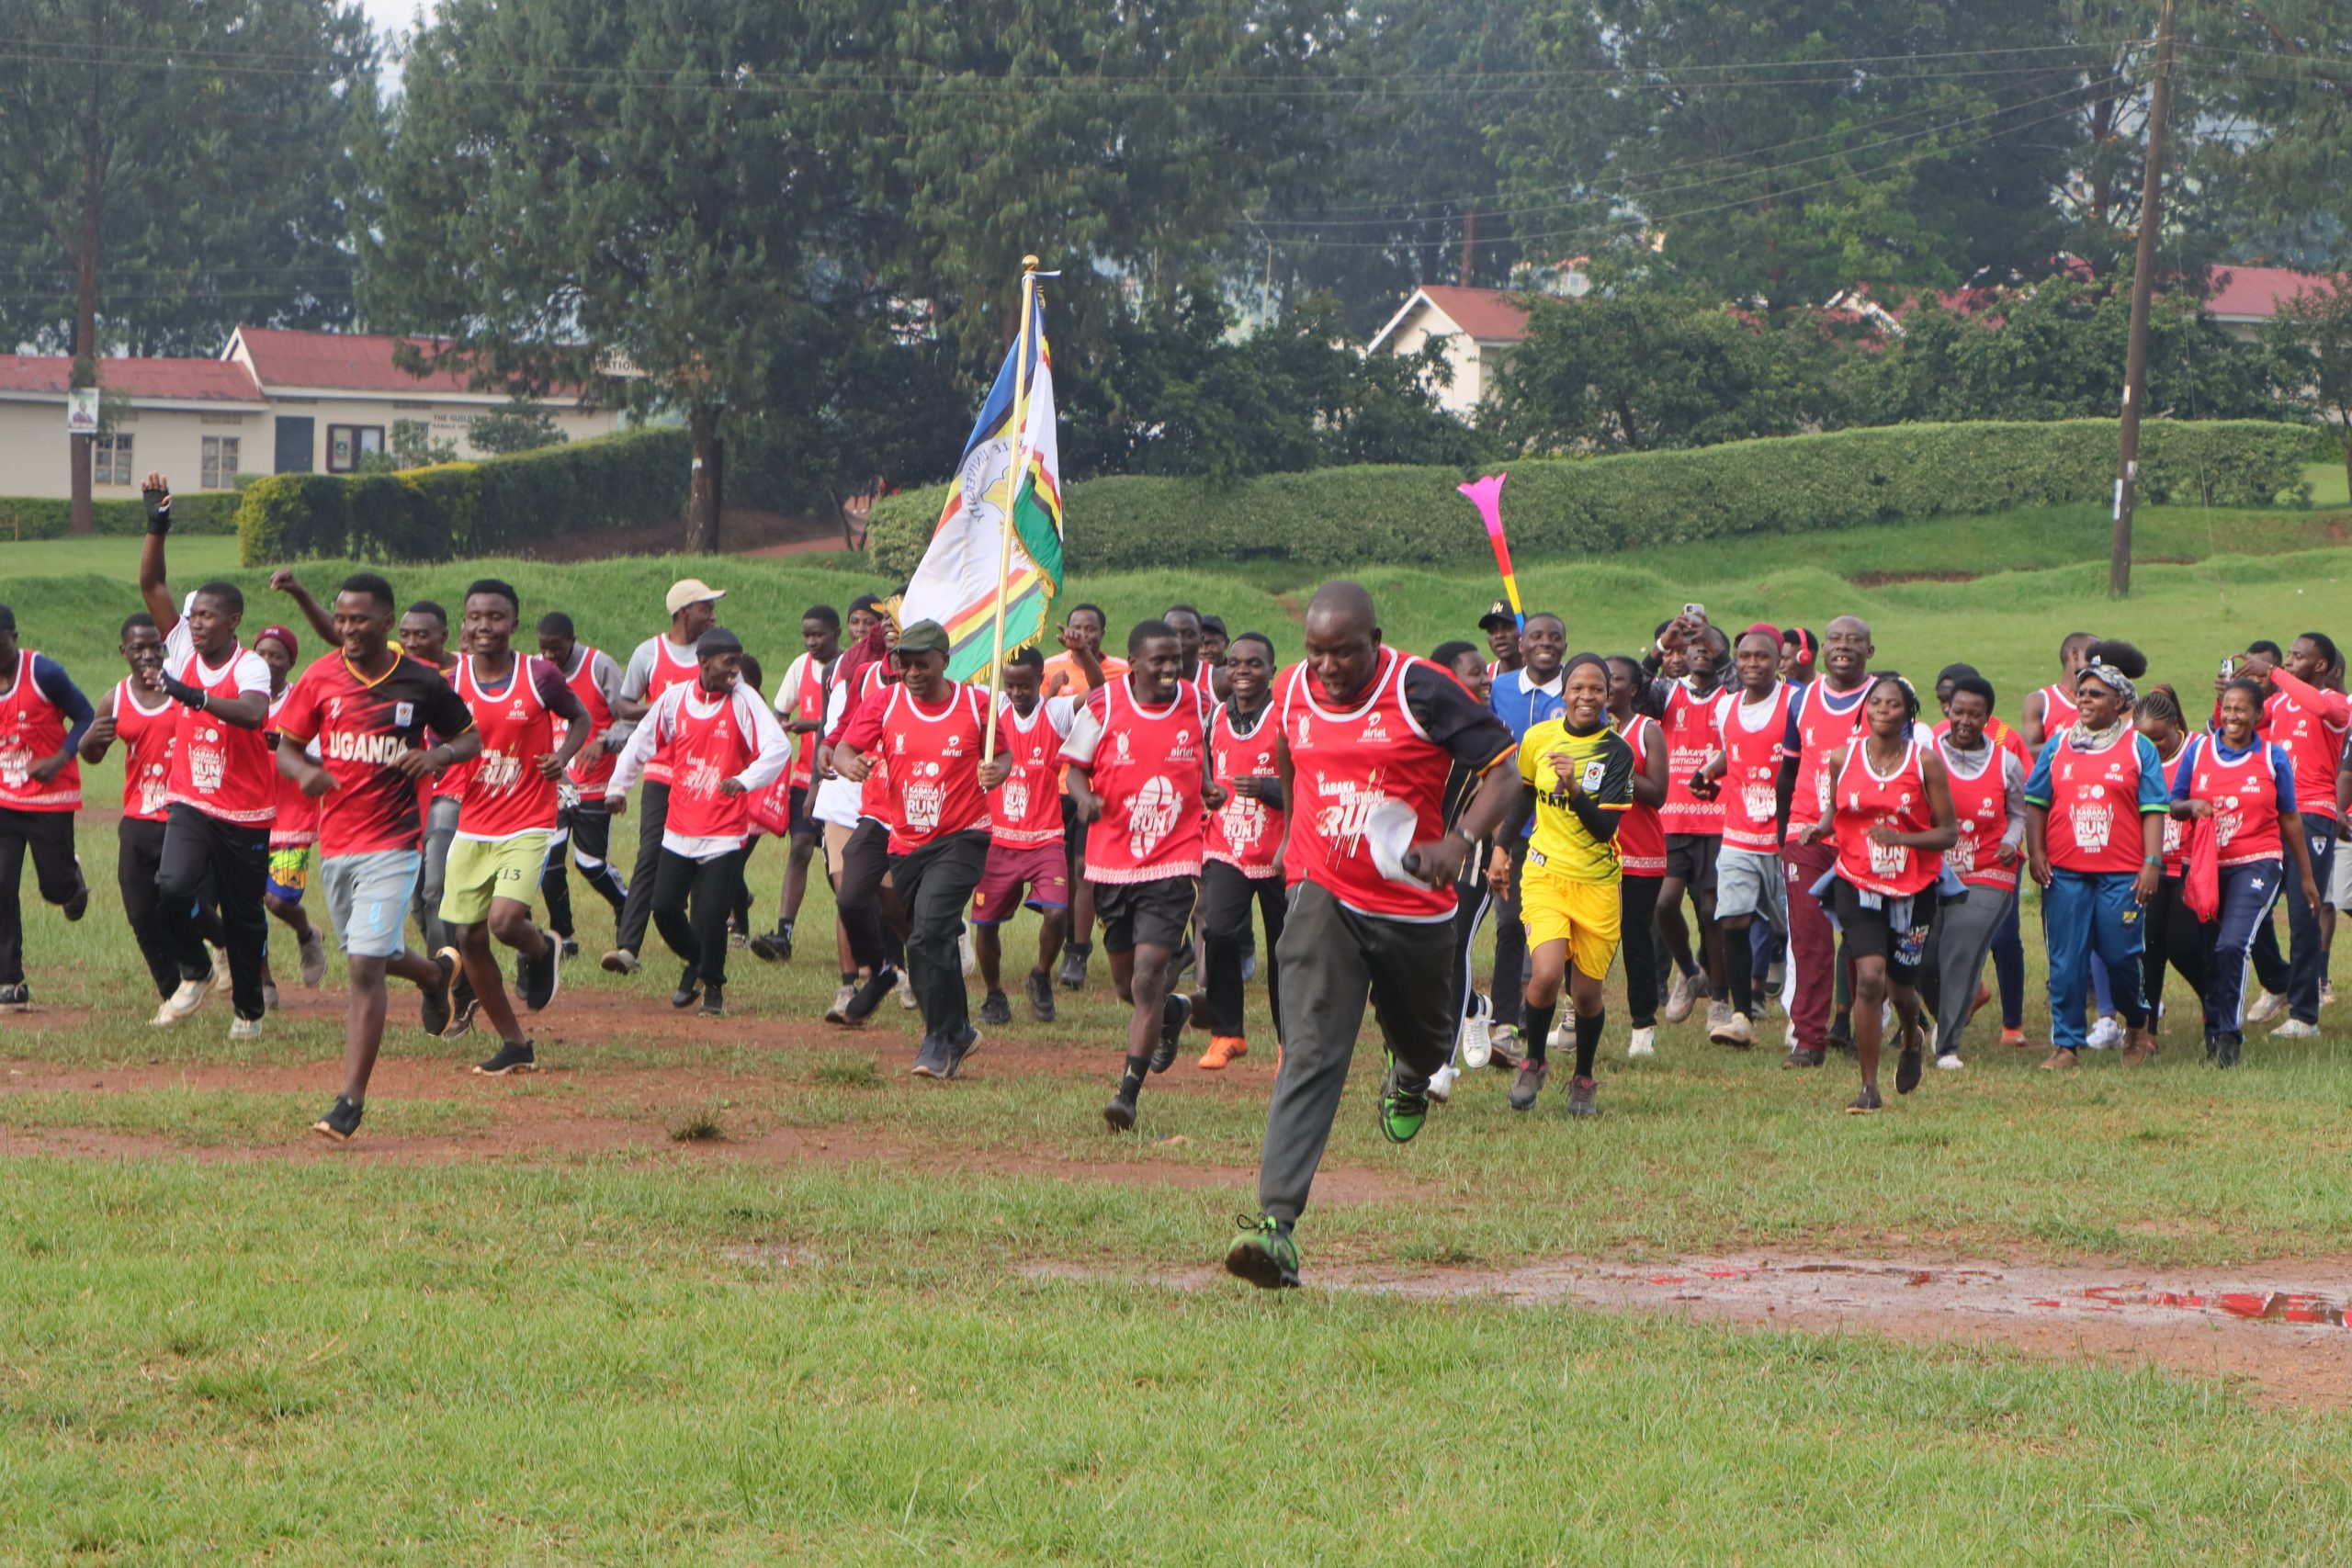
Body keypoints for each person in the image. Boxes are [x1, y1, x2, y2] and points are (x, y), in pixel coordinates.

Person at [1225, 582, 1518, 1291]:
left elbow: (1504, 773)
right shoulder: (1291, 690)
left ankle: (1411, 1070)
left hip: (1416, 906)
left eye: (1344, 651)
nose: (1327, 666)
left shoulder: (1422, 688)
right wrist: (1299, 855)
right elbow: (1292, 756)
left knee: (1425, 1040)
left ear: (1375, 640)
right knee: (1313, 1048)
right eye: (1316, 651)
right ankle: (1277, 1226)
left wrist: (1460, 841)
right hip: (1326, 894)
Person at [274, 572, 480, 1141]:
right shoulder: (318, 679)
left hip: (394, 843)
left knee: (364, 965)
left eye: (359, 619)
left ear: (387, 624)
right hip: (337, 846)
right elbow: (286, 750)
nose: (347, 629)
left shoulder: (419, 682)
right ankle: (437, 974)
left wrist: (436, 756)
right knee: (376, 953)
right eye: (341, 619)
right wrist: (306, 771)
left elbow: (469, 738)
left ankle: (349, 1102)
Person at [831, 619, 1009, 1076]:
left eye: (921, 664)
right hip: (906, 842)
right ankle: (961, 1032)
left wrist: (997, 771)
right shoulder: (884, 703)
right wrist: (851, 765)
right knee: (926, 939)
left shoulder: (976, 703)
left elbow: (1003, 753)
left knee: (929, 930)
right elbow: (844, 748)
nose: (911, 672)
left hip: (963, 836)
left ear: (944, 662)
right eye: (904, 663)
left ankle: (937, 1040)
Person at [1064, 619, 1220, 1127]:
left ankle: (1127, 1095)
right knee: (1127, 987)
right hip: (1112, 862)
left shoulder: (1197, 702)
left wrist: (1210, 785)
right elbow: (1074, 769)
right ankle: (1173, 1012)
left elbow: (1204, 756)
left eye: (1176, 658)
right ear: (1133, 663)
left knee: (1149, 975)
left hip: (1174, 860)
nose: (1171, 668)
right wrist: (1084, 798)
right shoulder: (1104, 705)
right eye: (1159, 660)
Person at [136, 473, 275, 1039]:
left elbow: (251, 714)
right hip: (191, 799)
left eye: (207, 618)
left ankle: (248, 1008)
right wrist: (156, 523)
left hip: (244, 811)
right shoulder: (179, 645)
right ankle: (193, 970)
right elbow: (152, 582)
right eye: (192, 617)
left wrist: (190, 694)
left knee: (243, 917)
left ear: (233, 622)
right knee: (170, 887)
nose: (195, 625)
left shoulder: (250, 665)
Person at [439, 581, 592, 1070]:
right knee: (469, 938)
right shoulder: (452, 679)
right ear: (464, 625)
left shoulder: (538, 675)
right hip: (474, 822)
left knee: (504, 922)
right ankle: (514, 1045)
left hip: (528, 819)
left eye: (496, 617)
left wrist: (562, 757)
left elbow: (582, 717)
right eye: (476, 617)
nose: (485, 626)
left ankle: (542, 947)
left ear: (514, 623)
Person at [1790, 674, 1956, 1111]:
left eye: (1893, 704)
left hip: (1913, 886)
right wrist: (1819, 828)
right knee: (1868, 979)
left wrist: (1902, 841)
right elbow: (1836, 808)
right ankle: (1869, 1087)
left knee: (1901, 989)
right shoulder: (1842, 758)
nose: (1883, 710)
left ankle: (1911, 1035)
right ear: (1865, 710)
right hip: (1857, 879)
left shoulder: (1925, 763)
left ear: (1908, 713)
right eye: (1876, 703)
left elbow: (1948, 834)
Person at [605, 626, 787, 1019]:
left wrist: (746, 779)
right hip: (680, 827)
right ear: (704, 663)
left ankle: (713, 989)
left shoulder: (744, 700)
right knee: (664, 907)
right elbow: (640, 744)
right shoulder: (673, 701)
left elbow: (778, 746)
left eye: (738, 662)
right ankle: (697, 961)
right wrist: (617, 788)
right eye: (728, 663)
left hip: (724, 831)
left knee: (709, 914)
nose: (735, 671)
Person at [1489, 653, 1635, 1116]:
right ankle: (1533, 1061)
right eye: (1578, 688)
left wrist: (1574, 788)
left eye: (1596, 689)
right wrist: (1500, 846)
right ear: (1564, 692)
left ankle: (1584, 1077)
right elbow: (1525, 792)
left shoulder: (1617, 753)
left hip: (1596, 884)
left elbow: (1604, 831)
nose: (1586, 696)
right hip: (1545, 873)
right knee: (1547, 974)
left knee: (1588, 995)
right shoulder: (1538, 738)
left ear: (1608, 696)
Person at [81, 614, 230, 1017]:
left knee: (178, 901)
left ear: (164, 649)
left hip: (183, 818)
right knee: (141, 914)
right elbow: (94, 754)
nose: (147, 655)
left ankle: (222, 944)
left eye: (154, 647)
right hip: (136, 819)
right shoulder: (116, 698)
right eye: (138, 648)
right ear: (123, 651)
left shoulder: (182, 690)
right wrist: (89, 742)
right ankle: (174, 990)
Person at [2025, 654, 2167, 1069]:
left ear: (2120, 701)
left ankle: (2137, 1021)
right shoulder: (2058, 745)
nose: (2084, 699)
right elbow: (2036, 802)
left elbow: (2154, 809)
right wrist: (2036, 852)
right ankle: (2066, 1044)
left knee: (2120, 954)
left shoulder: (2138, 747)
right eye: (2081, 692)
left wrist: (2151, 863)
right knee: (2065, 960)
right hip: (2065, 872)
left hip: (2121, 874)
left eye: (2095, 694)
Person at [2175, 677, 2321, 1067]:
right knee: (2209, 954)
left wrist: (2306, 876)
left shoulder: (2273, 758)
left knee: (2232, 945)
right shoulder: (2200, 749)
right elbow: (2173, 804)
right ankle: (2213, 1033)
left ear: (2258, 715)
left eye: (2241, 709)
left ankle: (2229, 1038)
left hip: (2257, 862)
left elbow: (2290, 818)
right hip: (2206, 865)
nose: (2232, 716)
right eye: (2227, 708)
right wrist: (2192, 806)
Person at [604, 579, 726, 976]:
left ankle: (704, 936)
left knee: (701, 857)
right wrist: (662, 710)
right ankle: (627, 947)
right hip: (661, 771)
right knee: (651, 854)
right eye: (705, 608)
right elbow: (623, 704)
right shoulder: (649, 653)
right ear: (683, 612)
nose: (712, 614)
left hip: (705, 773)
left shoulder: (715, 654)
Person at [2233, 637, 2346, 1037]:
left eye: (2299, 656)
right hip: (2270, 815)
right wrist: (2229, 694)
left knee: (2303, 913)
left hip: (2313, 815)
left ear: (2321, 666)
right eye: (2289, 656)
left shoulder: (2337, 703)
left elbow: (2319, 705)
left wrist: (2274, 673)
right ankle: (2279, 980)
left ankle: (2304, 1015)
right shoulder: (2278, 704)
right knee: (2250, 900)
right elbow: (2237, 727)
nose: (2290, 660)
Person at [1428, 641, 1522, 1100]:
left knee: (1454, 948)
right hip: (1422, 858)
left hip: (1472, 859)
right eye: (1473, 674)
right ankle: (1476, 1006)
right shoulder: (1417, 730)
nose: (1486, 680)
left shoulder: (1491, 731)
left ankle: (1441, 1068)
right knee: (1420, 960)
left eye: (1484, 676)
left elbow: (1508, 791)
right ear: (1444, 679)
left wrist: (1500, 851)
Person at [1692, 625, 1794, 1048]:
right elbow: (1731, 749)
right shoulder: (1726, 707)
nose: (1753, 664)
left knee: (1798, 932)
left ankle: (1800, 1015)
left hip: (1787, 838)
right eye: (1746, 657)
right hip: (1737, 834)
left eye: (1763, 657)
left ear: (1778, 662)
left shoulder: (1795, 704)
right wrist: (1710, 770)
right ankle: (1740, 1016)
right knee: (1731, 918)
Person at [1917, 674, 2025, 1069]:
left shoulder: (2005, 763)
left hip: (1988, 868)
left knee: (1960, 949)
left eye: (1975, 714)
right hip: (1933, 869)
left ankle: (1947, 1046)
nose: (1965, 720)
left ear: (1988, 718)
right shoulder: (1926, 756)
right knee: (1922, 960)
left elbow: (2018, 812)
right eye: (1958, 711)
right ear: (1946, 710)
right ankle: (1945, 1014)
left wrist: (2012, 841)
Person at [1779, 615, 1872, 1066]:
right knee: (1810, 940)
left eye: (1854, 640)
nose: (1843, 646)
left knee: (1862, 940)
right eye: (1835, 638)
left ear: (1869, 652)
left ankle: (1865, 1029)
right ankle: (1809, 1040)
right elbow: (1789, 771)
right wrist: (1785, 834)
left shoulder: (1883, 699)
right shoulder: (1802, 700)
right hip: (1806, 832)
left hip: (1863, 836)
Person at [1195, 631, 1285, 1070]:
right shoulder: (1213, 720)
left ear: (1271, 670)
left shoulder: (1284, 719)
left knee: (1285, 950)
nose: (1243, 671)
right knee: (1221, 934)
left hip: (1279, 853)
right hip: (1226, 847)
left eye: (1253, 664)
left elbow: (1308, 785)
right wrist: (1208, 793)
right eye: (1235, 664)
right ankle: (1227, 1033)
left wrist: (1268, 788)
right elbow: (1203, 775)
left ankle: (1291, 1039)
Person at [970, 645, 1073, 1027]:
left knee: (1056, 914)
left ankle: (1041, 976)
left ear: (1038, 680)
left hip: (1045, 837)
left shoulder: (1056, 712)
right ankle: (995, 995)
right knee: (985, 924)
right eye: (1009, 687)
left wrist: (1080, 657)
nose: (1016, 694)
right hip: (998, 839)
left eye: (1025, 687)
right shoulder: (993, 709)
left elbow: (1096, 695)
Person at [0, 602, 93, 1012]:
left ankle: (72, 880)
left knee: (53, 889)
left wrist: (58, 759)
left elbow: (86, 716)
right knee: (1, 885)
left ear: (14, 638)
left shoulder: (42, 673)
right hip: (4, 799)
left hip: (49, 798)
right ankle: (10, 980)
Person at [1485, 611, 1567, 1055]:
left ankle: (1564, 1011)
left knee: (1557, 923)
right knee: (1510, 921)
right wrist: (1497, 823)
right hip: (1513, 826)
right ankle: (1504, 1022)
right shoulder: (1499, 690)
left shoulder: (1575, 690)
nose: (1545, 643)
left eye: (1555, 637)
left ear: (1565, 647)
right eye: (1536, 636)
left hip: (1560, 827)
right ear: (1521, 646)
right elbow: (1491, 759)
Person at [1649, 615, 1730, 1032]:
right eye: (1689, 645)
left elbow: (1741, 678)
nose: (1696, 648)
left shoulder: (1733, 696)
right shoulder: (1666, 692)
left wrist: (1719, 650)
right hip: (1673, 818)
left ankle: (1720, 997)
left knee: (1712, 910)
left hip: (1719, 819)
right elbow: (1632, 686)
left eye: (1706, 644)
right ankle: (1689, 971)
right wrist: (1661, 647)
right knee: (1663, 904)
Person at [750, 604, 842, 962]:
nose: (811, 641)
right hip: (804, 778)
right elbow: (781, 712)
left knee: (839, 864)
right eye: (806, 635)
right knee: (800, 847)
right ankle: (783, 934)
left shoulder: (849, 668)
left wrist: (814, 725)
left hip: (839, 778)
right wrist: (780, 733)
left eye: (818, 634)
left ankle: (862, 926)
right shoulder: (799, 667)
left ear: (836, 633)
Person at [534, 612, 630, 956]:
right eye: (543, 649)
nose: (548, 657)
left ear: (572, 641)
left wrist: (602, 741)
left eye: (555, 649)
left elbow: (627, 720)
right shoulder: (537, 670)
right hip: (555, 782)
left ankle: (625, 903)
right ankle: (564, 936)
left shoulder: (599, 666)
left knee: (589, 863)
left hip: (595, 783)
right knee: (550, 859)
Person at [251, 624, 331, 1006]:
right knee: (250, 903)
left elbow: (325, 758)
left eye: (276, 655)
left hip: (293, 815)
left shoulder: (304, 699)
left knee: (279, 900)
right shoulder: (240, 694)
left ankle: (306, 934)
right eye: (262, 654)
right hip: (245, 812)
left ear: (291, 662)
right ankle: (264, 981)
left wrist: (286, 747)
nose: (267, 662)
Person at [1042, 604, 1120, 988]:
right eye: (1077, 627)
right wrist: (1053, 690)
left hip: (1093, 788)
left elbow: (1103, 699)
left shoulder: (1119, 670)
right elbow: (1036, 716)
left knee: (1084, 868)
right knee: (1061, 875)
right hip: (1053, 788)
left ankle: (1078, 953)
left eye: (1091, 628)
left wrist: (1085, 656)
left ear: (1102, 632)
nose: (1084, 634)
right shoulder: (1050, 668)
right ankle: (1060, 945)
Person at [2132, 687, 2211, 1055]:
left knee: (2183, 945)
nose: (2153, 745)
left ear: (2177, 725)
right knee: (2148, 950)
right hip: (2150, 867)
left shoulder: (2198, 748)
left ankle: (2217, 1003)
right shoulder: (2134, 756)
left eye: (2159, 737)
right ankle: (2147, 1032)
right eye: (2144, 738)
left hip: (2190, 865)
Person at [1606, 655, 1669, 1058]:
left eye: (1615, 680)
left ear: (1633, 688)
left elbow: (1658, 793)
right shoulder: (1580, 730)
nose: (1605, 686)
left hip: (1641, 854)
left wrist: (1617, 764)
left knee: (1635, 939)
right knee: (1580, 941)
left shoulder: (1647, 730)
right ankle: (1572, 1017)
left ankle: (1642, 1026)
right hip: (1594, 854)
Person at [2023, 631, 2100, 751]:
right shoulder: (2040, 701)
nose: (2100, 662)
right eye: (2094, 655)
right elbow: (2028, 752)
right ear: (2075, 654)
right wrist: (2070, 743)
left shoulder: (2104, 699)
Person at [1480, 601, 1522, 683]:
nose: (1499, 635)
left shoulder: (1545, 674)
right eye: (1492, 630)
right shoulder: (1484, 677)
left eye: (1507, 627)